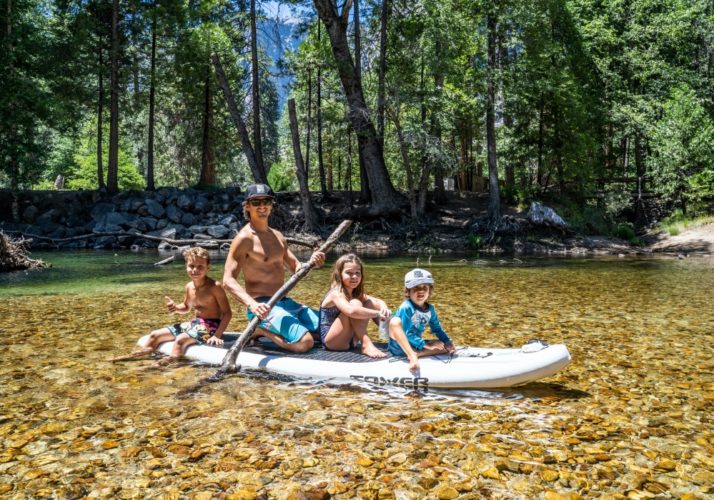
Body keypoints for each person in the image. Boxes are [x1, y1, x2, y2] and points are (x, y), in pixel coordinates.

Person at [222, 183, 325, 353]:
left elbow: (296, 268)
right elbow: (227, 280)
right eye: (256, 202)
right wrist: (252, 305)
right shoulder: (244, 239)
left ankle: (287, 330)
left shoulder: (278, 236)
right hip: (263, 307)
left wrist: (312, 263)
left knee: (331, 331)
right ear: (247, 206)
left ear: (271, 205)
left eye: (266, 201)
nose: (262, 206)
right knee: (305, 343)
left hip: (285, 303)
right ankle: (260, 330)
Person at [112, 247, 232, 366]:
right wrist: (176, 308)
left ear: (208, 267)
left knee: (180, 340)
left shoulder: (215, 287)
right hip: (195, 323)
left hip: (212, 325)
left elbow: (227, 313)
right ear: (186, 266)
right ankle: (136, 356)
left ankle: (163, 364)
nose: (195, 270)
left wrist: (217, 335)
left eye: (200, 266)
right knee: (154, 335)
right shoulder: (189, 286)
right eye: (191, 266)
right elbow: (186, 307)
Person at [319, 254, 390, 358]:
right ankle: (366, 344)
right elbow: (351, 311)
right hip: (333, 342)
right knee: (355, 303)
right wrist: (377, 313)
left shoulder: (354, 293)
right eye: (349, 273)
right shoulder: (336, 293)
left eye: (358, 273)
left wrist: (384, 308)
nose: (355, 277)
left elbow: (377, 301)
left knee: (369, 303)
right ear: (339, 274)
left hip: (351, 340)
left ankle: (393, 337)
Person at [387, 268, 455, 372]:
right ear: (408, 291)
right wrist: (427, 345)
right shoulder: (406, 307)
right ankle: (412, 355)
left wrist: (446, 341)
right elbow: (407, 333)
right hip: (400, 346)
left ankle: (418, 353)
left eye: (425, 287)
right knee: (395, 321)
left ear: (430, 290)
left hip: (415, 344)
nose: (421, 291)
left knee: (447, 347)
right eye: (416, 288)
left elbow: (437, 328)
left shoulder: (430, 309)